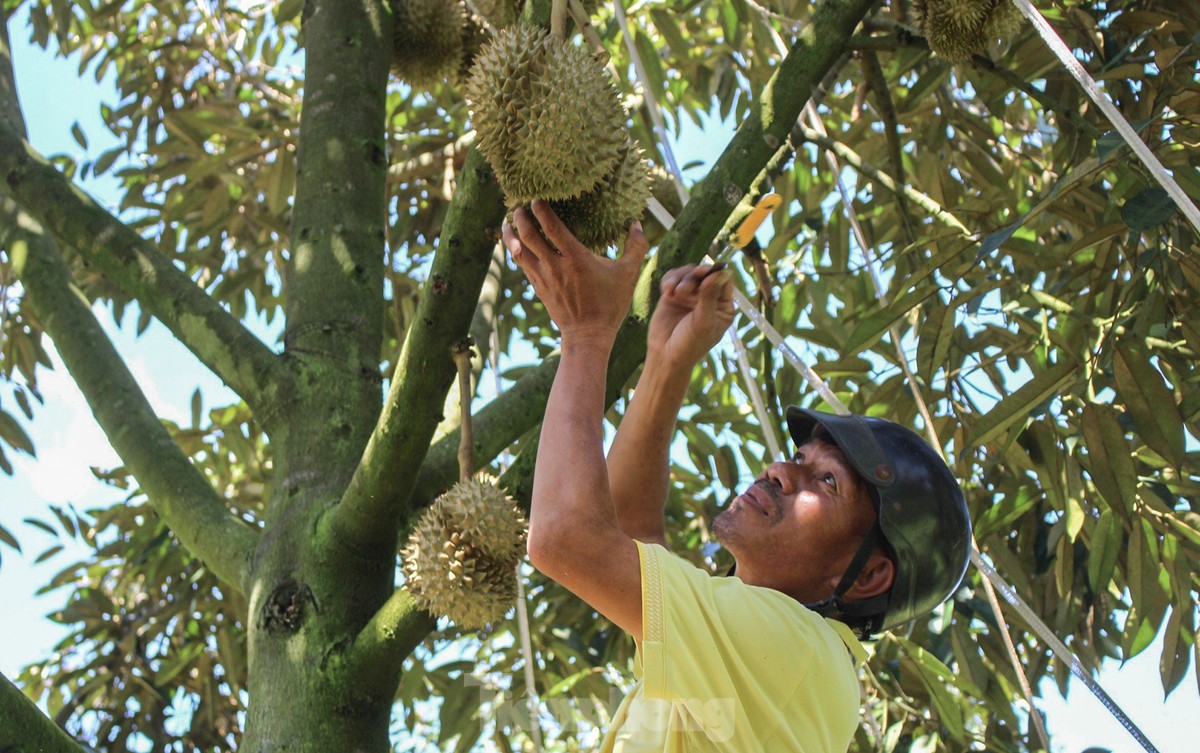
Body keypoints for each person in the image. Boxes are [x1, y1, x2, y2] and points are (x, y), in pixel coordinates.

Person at [502, 201, 971, 752]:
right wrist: (665, 361)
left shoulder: (799, 654)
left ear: (866, 576)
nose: (780, 470)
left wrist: (586, 332)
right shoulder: (752, 655)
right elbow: (626, 539)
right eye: (798, 458)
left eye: (827, 482)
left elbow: (567, 537)